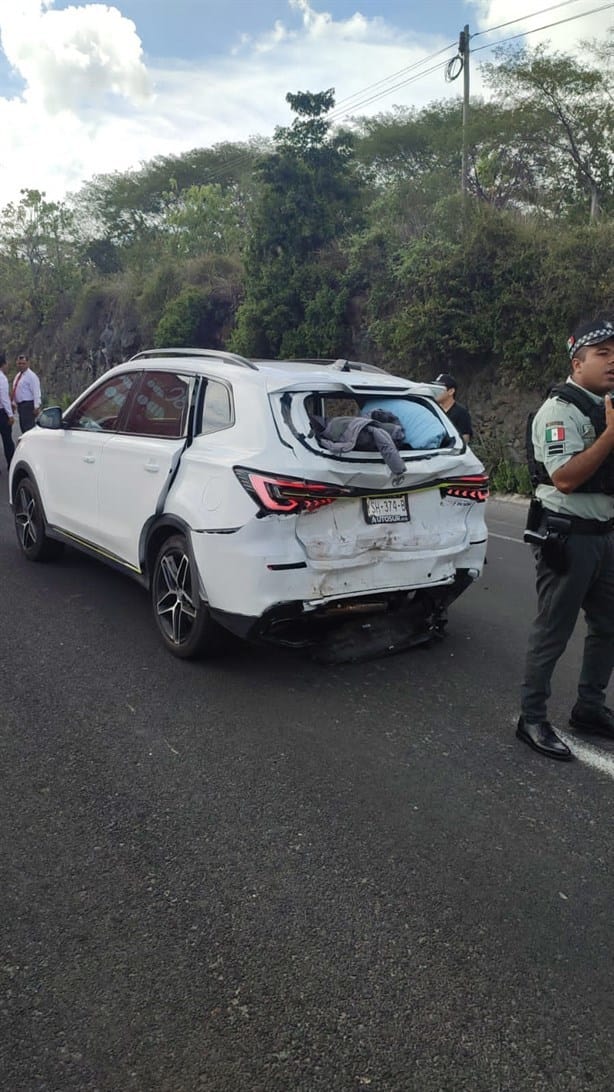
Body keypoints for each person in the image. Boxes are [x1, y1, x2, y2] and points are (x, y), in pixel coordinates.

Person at [517, 316, 614, 762]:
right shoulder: (559, 412)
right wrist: (612, 434)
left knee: (608, 628)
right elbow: (565, 477)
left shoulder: (605, 405)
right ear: (578, 363)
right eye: (603, 354)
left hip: (605, 537)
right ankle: (531, 717)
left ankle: (589, 708)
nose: (613, 362)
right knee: (553, 630)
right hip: (568, 536)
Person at [433, 372, 473, 442]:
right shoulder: (433, 410)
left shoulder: (461, 413)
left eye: (439, 389)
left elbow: (465, 439)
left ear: (451, 391)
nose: (435, 392)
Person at [11, 352, 41, 433]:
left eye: (23, 363)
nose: (21, 365)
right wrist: (13, 403)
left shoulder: (31, 376)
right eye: (19, 363)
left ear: (28, 363)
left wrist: (36, 406)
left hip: (28, 405)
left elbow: (36, 391)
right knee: (23, 427)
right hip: (21, 406)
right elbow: (16, 389)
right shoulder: (18, 376)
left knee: (28, 428)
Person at [0, 351, 15, 471]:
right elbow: (4, 398)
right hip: (2, 413)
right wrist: (10, 415)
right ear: (3, 364)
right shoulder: (2, 378)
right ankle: (12, 464)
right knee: (7, 441)